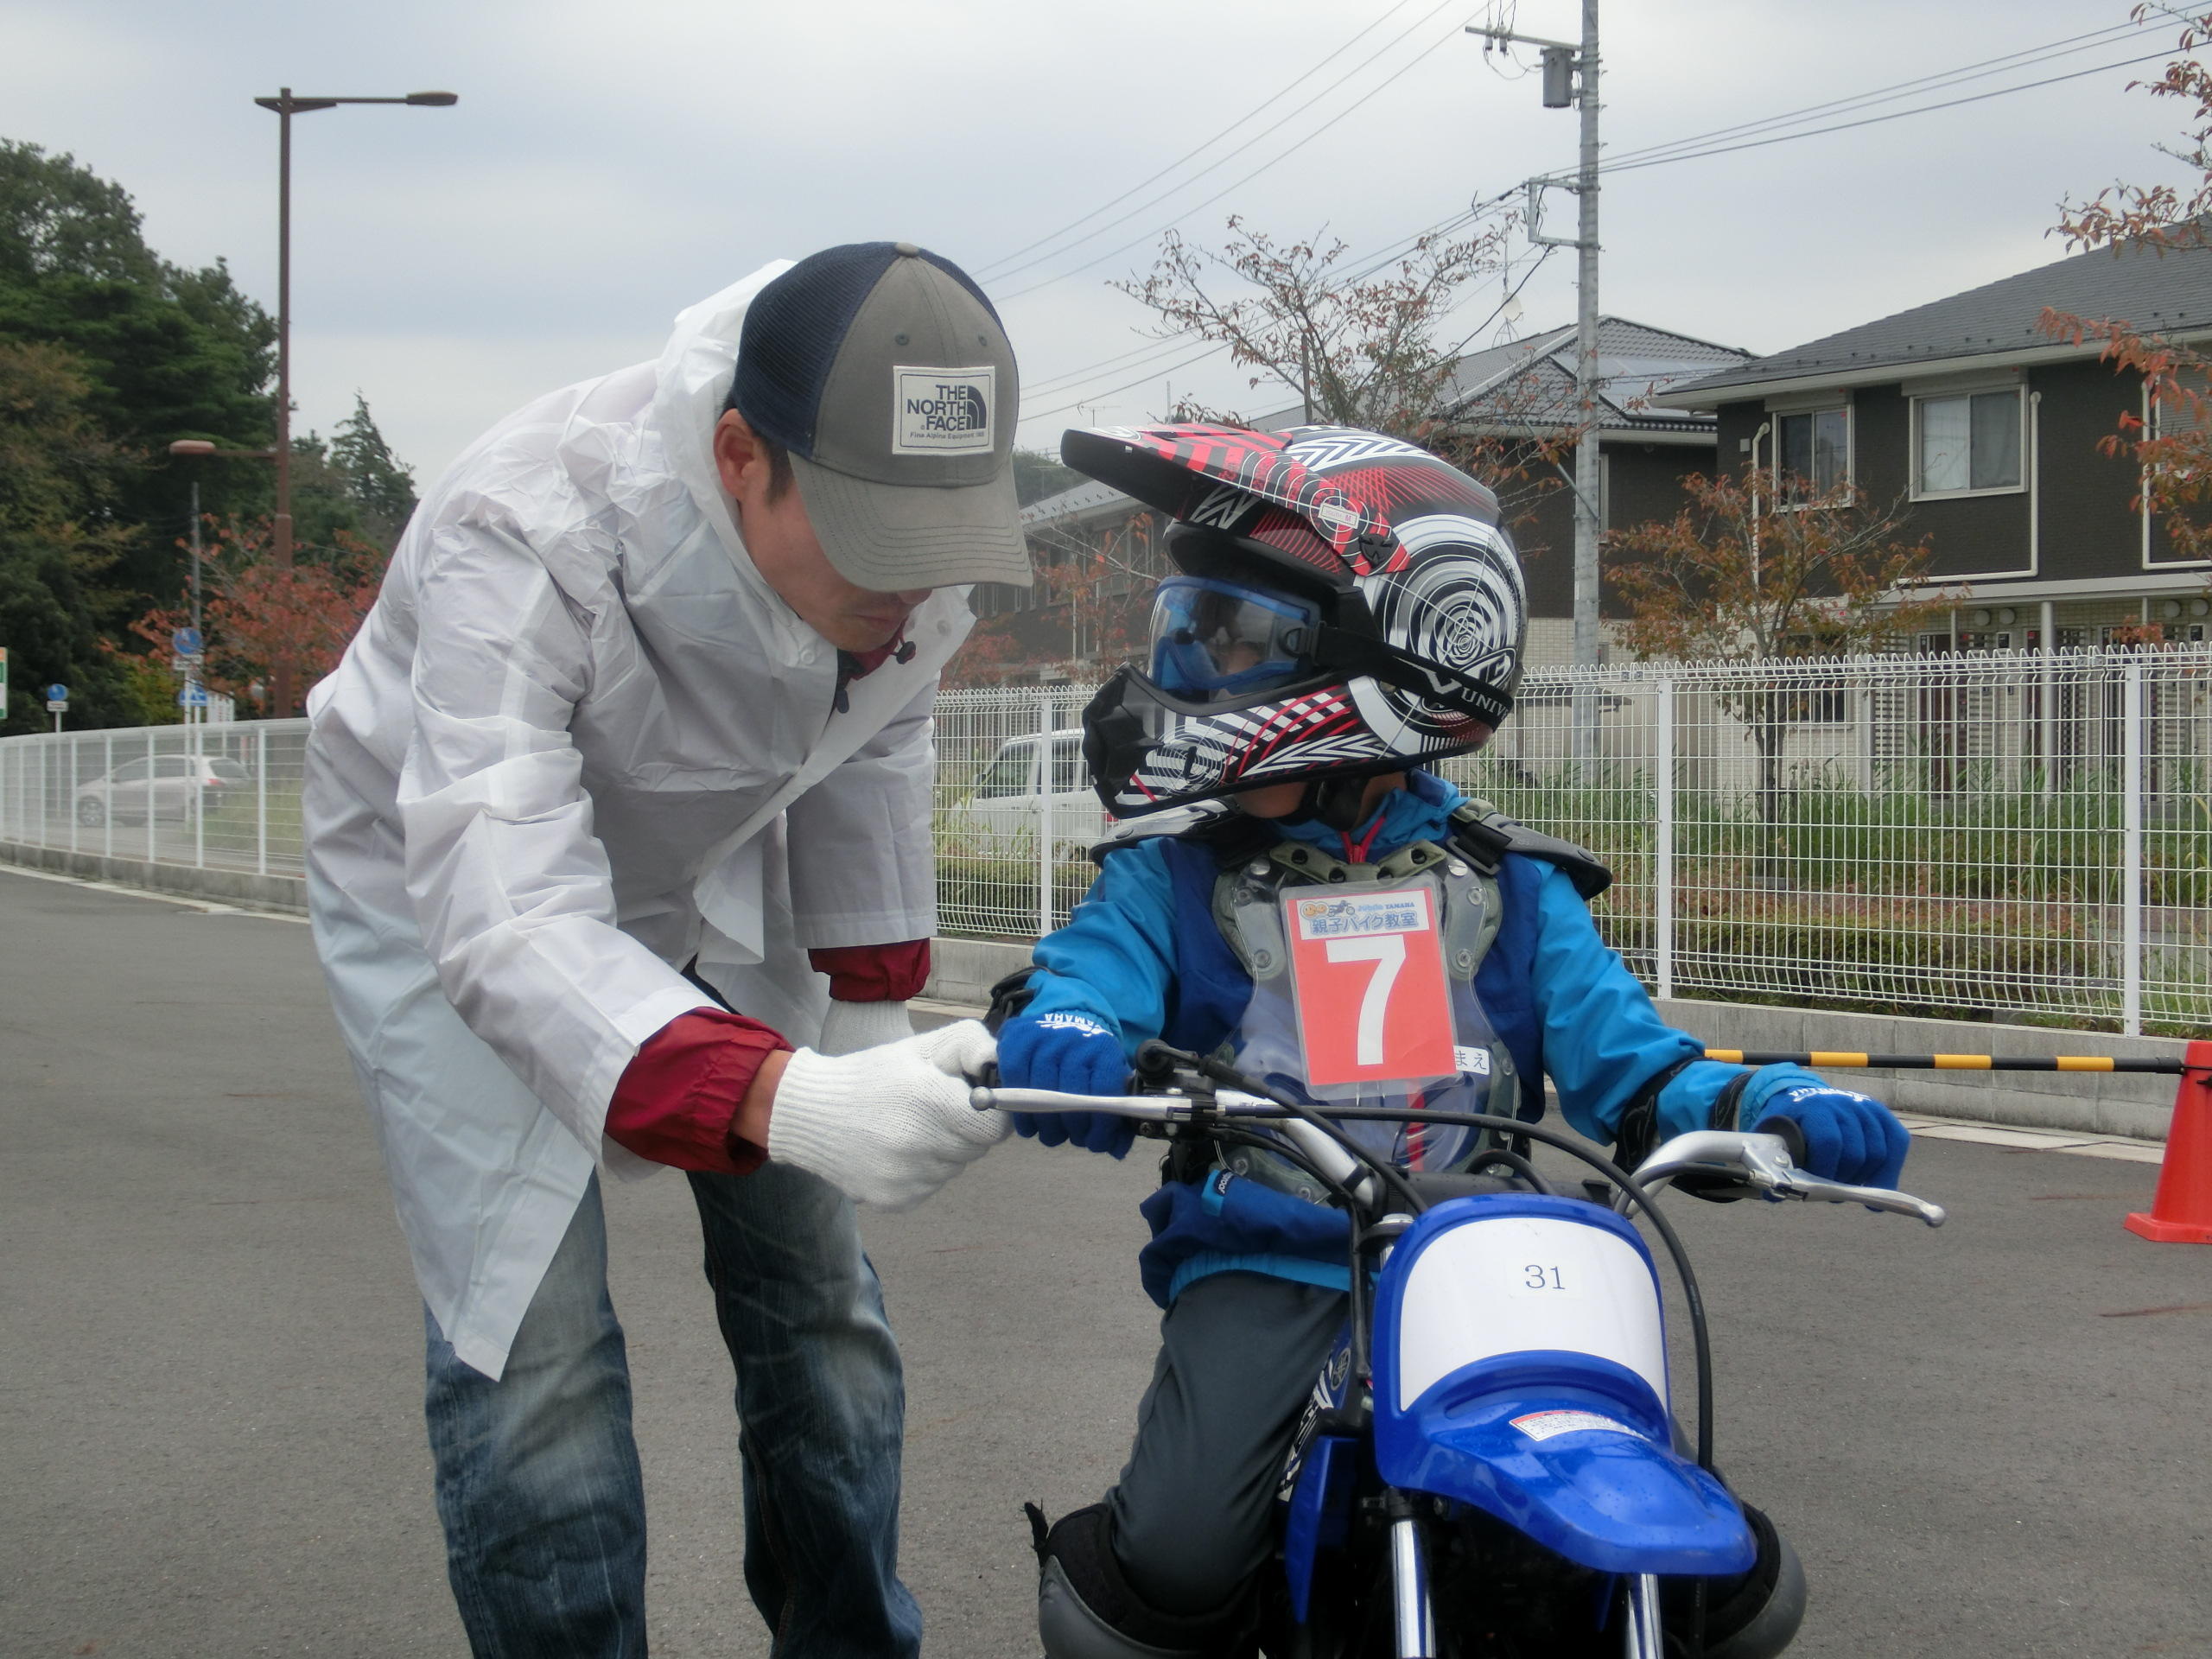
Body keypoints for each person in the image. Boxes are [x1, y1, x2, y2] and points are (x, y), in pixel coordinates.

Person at [993, 423, 1913, 1659]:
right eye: (1193, 629)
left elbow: (1635, 1068)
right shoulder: (1172, 879)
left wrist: (1757, 1103)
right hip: (1276, 1255)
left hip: (1486, 1269)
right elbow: (1091, 975)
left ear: (1399, 658)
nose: (1195, 667)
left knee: (1724, 1583)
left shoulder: (1512, 889)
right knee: (1173, 1561)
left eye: (1234, 637)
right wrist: (1062, 1026)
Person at [302, 243, 1021, 1657]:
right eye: (872, 539)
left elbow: (881, 738)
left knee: (822, 1304)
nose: (911, 589)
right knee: (539, 1350)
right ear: (739, 452)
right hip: (447, 883)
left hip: (715, 865)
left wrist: (871, 1006)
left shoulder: (919, 544)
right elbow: (505, 897)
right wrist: (791, 1098)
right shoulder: (528, 522)